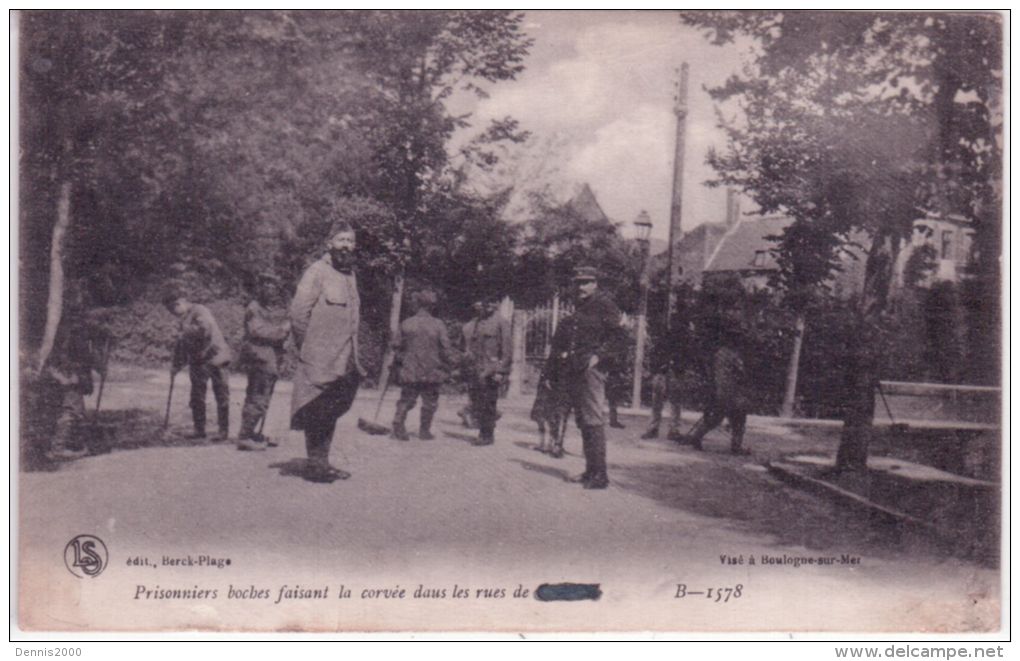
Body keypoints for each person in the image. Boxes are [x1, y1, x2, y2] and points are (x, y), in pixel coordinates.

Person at [289, 222, 367, 482]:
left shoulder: (349, 274)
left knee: (332, 409)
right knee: (317, 409)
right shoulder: (316, 272)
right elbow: (299, 314)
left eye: (350, 240)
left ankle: (322, 461)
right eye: (341, 240)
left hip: (345, 358)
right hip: (320, 358)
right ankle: (316, 465)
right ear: (329, 244)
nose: (346, 245)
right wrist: (309, 348)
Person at [562, 266, 622, 490]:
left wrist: (598, 357)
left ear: (595, 283)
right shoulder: (581, 305)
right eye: (578, 282)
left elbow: (619, 337)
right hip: (577, 367)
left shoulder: (605, 305)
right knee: (583, 420)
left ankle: (600, 476)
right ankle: (590, 470)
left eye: (586, 282)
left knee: (593, 419)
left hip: (592, 369)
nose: (581, 286)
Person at [164, 289, 233, 441]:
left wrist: (184, 332)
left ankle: (223, 431)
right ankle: (199, 430)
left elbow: (205, 330)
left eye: (172, 309)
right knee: (197, 396)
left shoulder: (199, 310)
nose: (173, 314)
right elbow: (182, 345)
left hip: (216, 357)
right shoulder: (183, 319)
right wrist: (176, 365)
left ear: (179, 303)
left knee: (221, 394)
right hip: (199, 360)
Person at [682, 310, 752, 455]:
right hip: (730, 392)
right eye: (737, 336)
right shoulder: (731, 355)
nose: (739, 339)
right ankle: (736, 446)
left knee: (716, 418)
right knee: (737, 418)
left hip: (722, 391)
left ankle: (697, 437)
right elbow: (739, 375)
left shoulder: (721, 353)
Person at [237, 273, 291, 451]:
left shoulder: (269, 309)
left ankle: (252, 432)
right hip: (259, 358)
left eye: (273, 286)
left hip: (269, 359)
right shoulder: (255, 307)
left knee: (264, 396)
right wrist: (282, 330)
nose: (270, 289)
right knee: (258, 397)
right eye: (266, 286)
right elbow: (258, 331)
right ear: (260, 288)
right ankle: (245, 436)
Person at [390, 289, 454, 441]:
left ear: (418, 304)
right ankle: (424, 431)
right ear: (431, 306)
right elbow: (446, 348)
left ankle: (398, 425)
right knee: (430, 402)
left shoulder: (406, 323)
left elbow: (396, 345)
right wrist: (451, 364)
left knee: (406, 399)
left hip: (410, 368)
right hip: (432, 370)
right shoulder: (439, 325)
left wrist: (400, 360)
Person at [464, 295, 511, 446]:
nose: (489, 305)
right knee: (477, 401)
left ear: (497, 304)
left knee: (488, 403)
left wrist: (501, 371)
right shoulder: (478, 323)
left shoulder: (502, 323)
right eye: (486, 302)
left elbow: (507, 350)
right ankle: (487, 427)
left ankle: (486, 435)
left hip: (492, 370)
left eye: (492, 301)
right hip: (477, 368)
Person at [529, 315, 573, 458]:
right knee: (558, 410)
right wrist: (548, 375)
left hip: (582, 377)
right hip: (561, 375)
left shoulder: (594, 323)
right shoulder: (566, 323)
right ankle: (556, 443)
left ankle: (589, 453)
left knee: (585, 416)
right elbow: (554, 353)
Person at [457, 300, 485, 429]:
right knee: (480, 391)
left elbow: (461, 346)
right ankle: (470, 414)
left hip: (469, 361)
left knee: (473, 390)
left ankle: (469, 414)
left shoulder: (466, 326)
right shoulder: (483, 326)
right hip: (479, 362)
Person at [605, 323, 631, 429]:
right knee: (612, 398)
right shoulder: (617, 347)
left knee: (612, 398)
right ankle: (612, 420)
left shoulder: (616, 346)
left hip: (611, 373)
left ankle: (613, 419)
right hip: (611, 373)